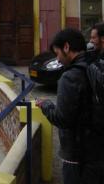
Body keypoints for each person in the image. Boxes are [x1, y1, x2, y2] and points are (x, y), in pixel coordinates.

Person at [36, 28, 104, 184]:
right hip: (99, 150)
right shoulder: (97, 65)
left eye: (57, 53)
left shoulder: (70, 76)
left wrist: (46, 105)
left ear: (66, 47)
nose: (58, 59)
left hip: (78, 157)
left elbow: (62, 119)